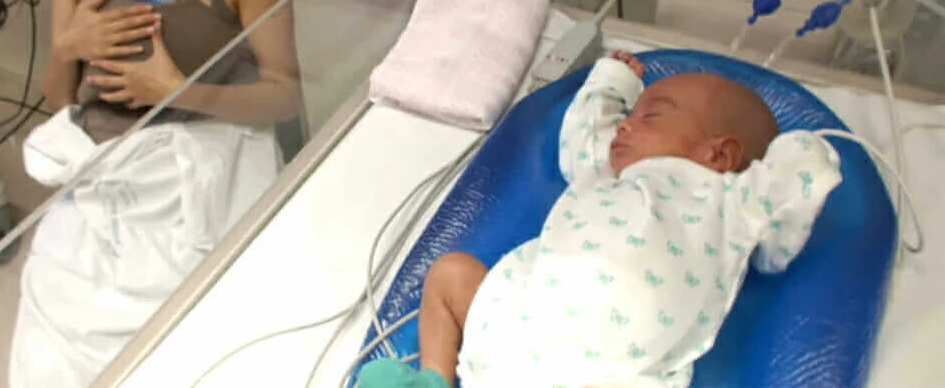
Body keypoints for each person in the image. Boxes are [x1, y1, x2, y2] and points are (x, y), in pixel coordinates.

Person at [9, 0, 300, 386]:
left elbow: (286, 96)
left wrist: (180, 92)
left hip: (193, 169)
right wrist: (69, 46)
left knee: (173, 349)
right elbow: (56, 104)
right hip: (101, 174)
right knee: (56, 344)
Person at [357, 51, 844, 388]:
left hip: (616, 371)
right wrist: (612, 81)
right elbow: (584, 133)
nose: (627, 123)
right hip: (521, 328)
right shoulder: (606, 171)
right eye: (630, 115)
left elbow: (803, 182)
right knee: (451, 274)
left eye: (652, 116)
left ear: (719, 153)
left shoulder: (733, 200)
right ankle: (432, 378)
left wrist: (795, 145)